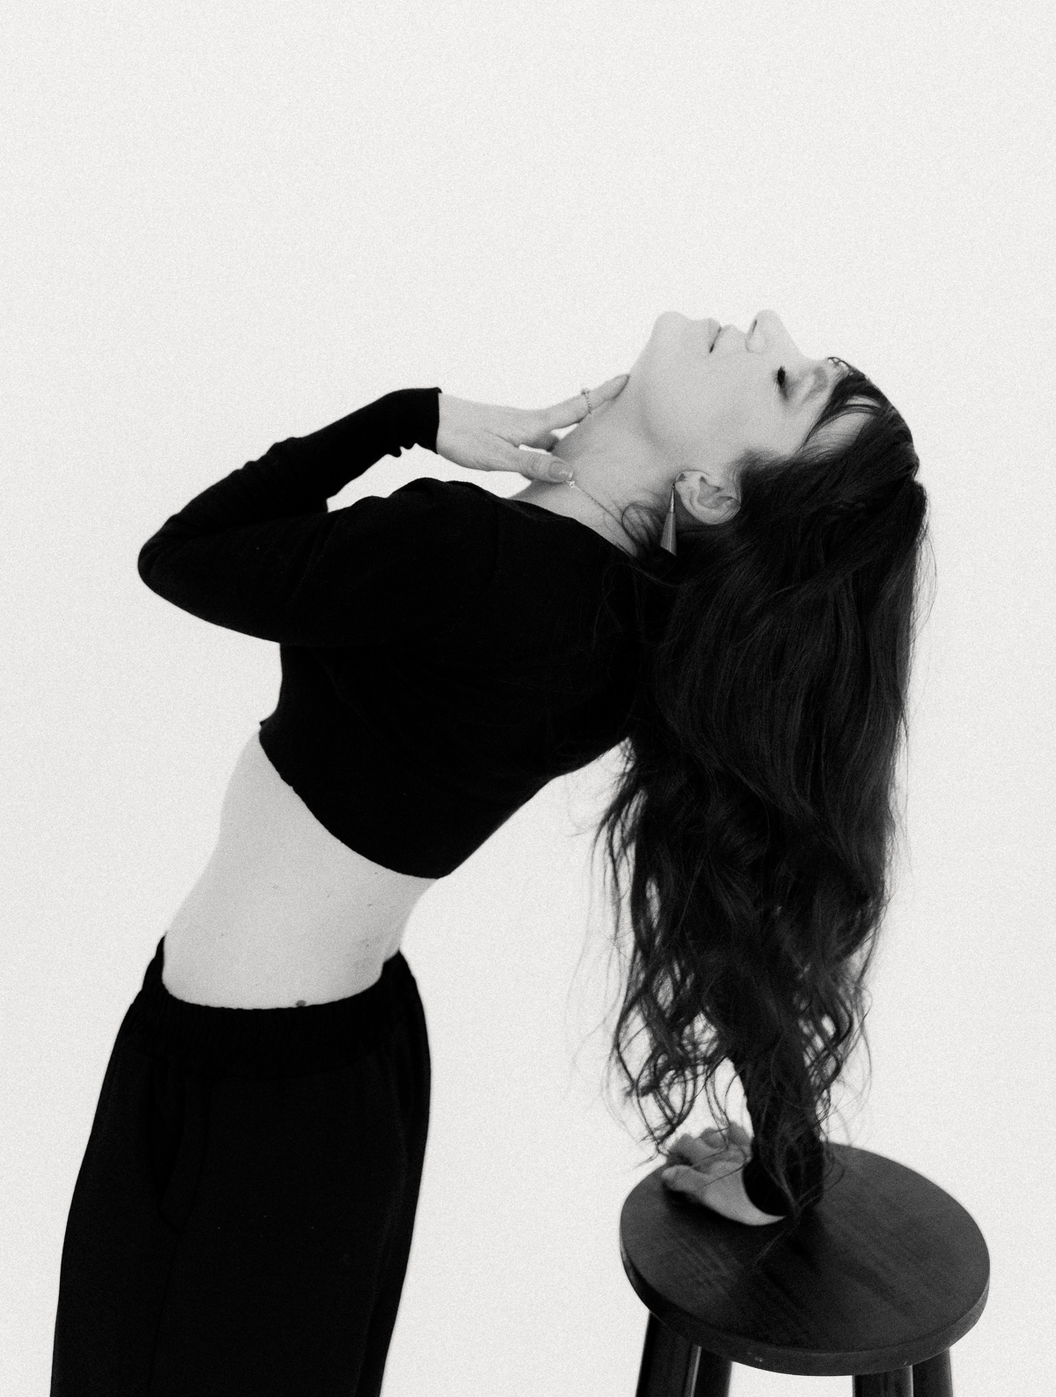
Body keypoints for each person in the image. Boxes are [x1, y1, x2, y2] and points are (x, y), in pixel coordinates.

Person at [49, 308, 929, 1395]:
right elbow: (738, 889)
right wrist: (781, 1162)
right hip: (323, 1079)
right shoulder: (627, 618)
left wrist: (406, 418)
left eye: (788, 381)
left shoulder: (475, 556)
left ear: (712, 492)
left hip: (254, 1104)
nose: (767, 327)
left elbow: (180, 557)